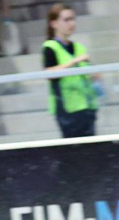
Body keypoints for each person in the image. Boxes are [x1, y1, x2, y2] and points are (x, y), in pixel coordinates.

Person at [43, 3, 98, 138]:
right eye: (66, 20)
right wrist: (74, 61)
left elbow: (92, 75)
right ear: (54, 23)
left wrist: (95, 74)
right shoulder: (50, 47)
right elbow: (49, 73)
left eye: (73, 19)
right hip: (68, 111)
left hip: (88, 108)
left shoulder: (79, 47)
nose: (71, 23)